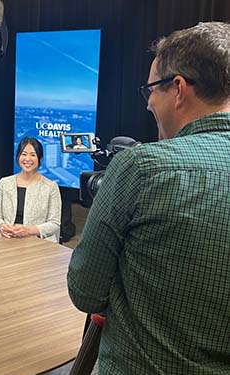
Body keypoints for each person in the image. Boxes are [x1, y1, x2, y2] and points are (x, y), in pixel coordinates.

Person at [67, 21, 230, 375]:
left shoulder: (141, 168)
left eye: (150, 90)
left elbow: (85, 291)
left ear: (179, 90)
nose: (148, 104)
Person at [0, 136, 61, 243]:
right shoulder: (4, 183)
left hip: (38, 242)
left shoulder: (51, 187)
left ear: (40, 159)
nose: (27, 159)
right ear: (18, 157)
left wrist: (28, 231)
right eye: (24, 154)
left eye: (33, 155)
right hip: (7, 239)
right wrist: (1, 226)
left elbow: (54, 223)